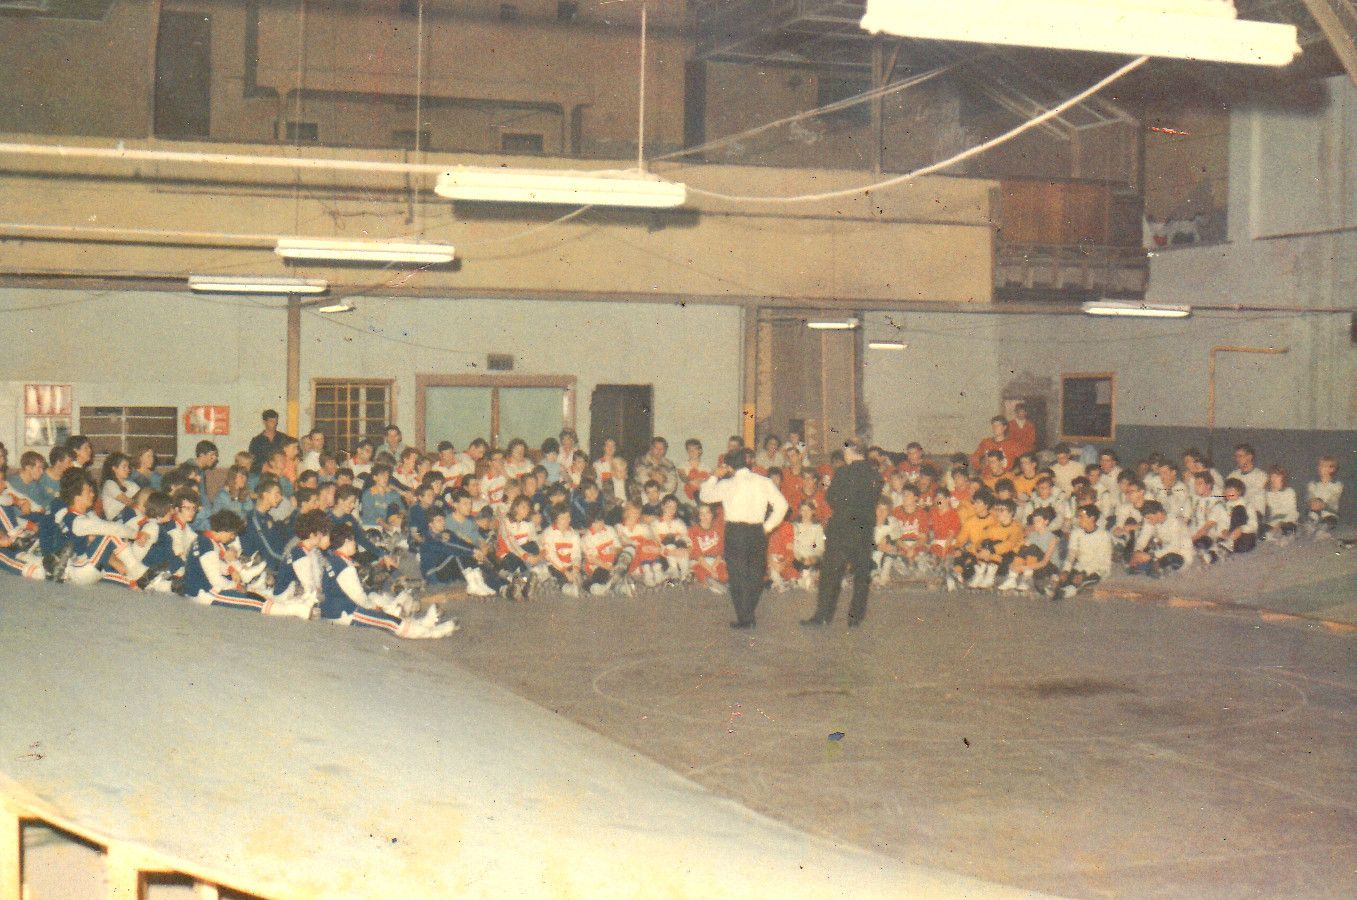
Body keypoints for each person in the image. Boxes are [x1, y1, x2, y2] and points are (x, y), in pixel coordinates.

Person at [700, 449, 788, 629]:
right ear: (748, 463)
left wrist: (714, 476)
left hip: (735, 531)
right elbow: (782, 506)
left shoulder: (728, 484)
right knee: (756, 573)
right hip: (757, 530)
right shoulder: (764, 481)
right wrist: (767, 527)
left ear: (729, 467)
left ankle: (745, 616)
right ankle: (748, 612)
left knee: (737, 574)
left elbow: (704, 496)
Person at [802, 440, 882, 628]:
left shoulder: (843, 472)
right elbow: (874, 499)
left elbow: (831, 497)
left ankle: (823, 615)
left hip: (842, 529)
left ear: (852, 452)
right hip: (864, 530)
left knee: (830, 574)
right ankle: (855, 617)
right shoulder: (875, 474)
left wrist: (844, 509)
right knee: (861, 575)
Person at [247, 410, 291, 474]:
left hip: (281, 473)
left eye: (276, 421)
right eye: (271, 421)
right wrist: (262, 468)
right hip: (262, 475)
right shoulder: (256, 441)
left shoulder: (283, 438)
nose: (274, 424)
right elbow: (251, 462)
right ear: (264, 422)